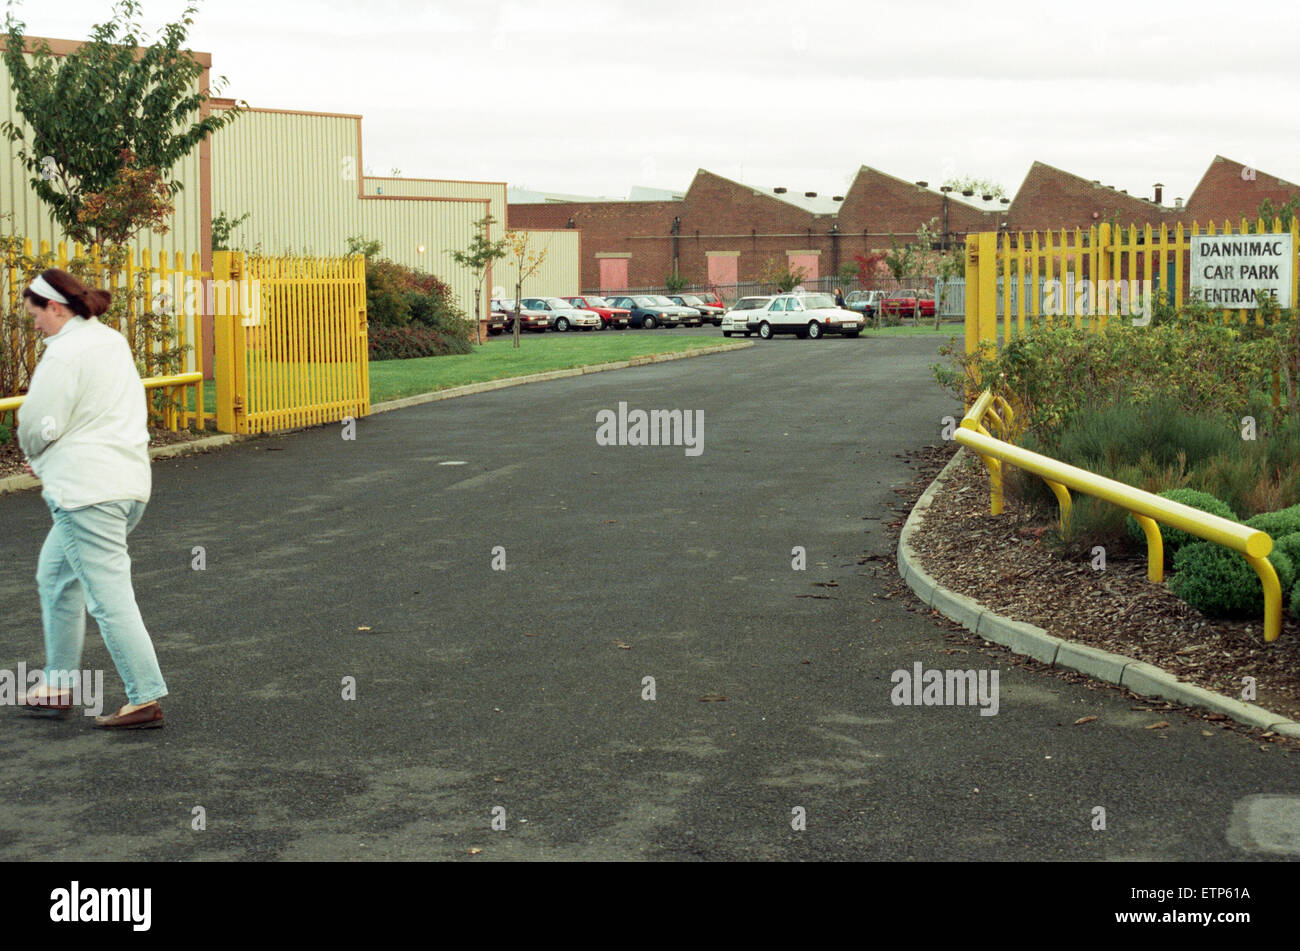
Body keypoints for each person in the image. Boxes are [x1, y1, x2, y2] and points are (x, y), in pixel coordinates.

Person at [17, 268, 167, 729]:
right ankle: (58, 685)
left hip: (86, 494)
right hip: (126, 485)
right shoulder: (111, 342)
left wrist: (37, 456)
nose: (34, 325)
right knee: (57, 577)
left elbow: (36, 421)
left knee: (108, 596)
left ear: (54, 308)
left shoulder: (64, 354)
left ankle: (145, 697)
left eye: (35, 315)